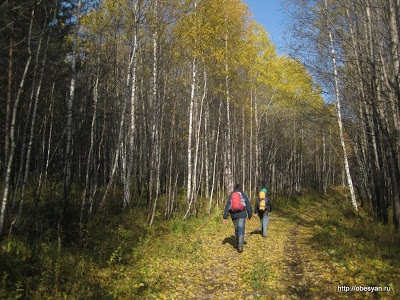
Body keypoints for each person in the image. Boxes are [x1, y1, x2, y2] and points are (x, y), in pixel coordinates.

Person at [223, 183, 252, 253]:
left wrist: (225, 217)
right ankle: (240, 245)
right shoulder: (243, 195)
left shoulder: (231, 195)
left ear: (234, 188)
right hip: (242, 214)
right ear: (240, 188)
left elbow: (227, 206)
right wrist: (249, 215)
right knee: (241, 229)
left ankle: (237, 243)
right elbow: (248, 205)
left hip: (233, 215)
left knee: (236, 229)